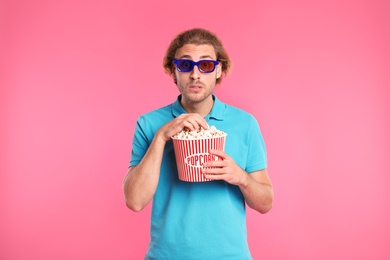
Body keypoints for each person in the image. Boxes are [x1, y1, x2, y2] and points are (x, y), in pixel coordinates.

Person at [123, 28, 273, 260]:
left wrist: (240, 177)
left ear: (218, 70)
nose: (195, 75)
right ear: (174, 70)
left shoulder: (245, 124)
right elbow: (134, 201)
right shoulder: (150, 123)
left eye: (205, 66)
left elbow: (265, 203)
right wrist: (162, 137)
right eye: (185, 65)